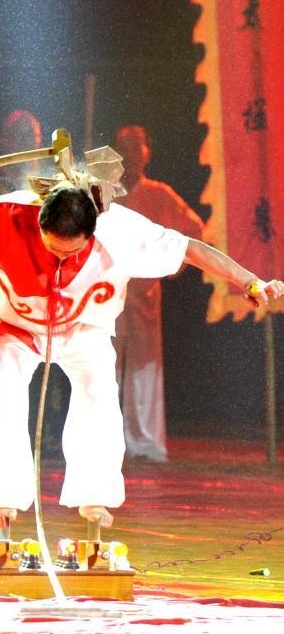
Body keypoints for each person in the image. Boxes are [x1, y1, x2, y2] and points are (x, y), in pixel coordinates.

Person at [0, 184, 284, 528]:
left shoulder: (119, 231)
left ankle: (95, 494)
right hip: (16, 324)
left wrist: (250, 282)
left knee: (99, 385)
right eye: (51, 249)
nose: (58, 261)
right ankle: (2, 495)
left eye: (69, 252)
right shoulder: (5, 217)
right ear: (38, 224)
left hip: (82, 326)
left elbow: (192, 249)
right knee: (4, 387)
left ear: (90, 233)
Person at [113, 125, 204, 461]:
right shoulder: (105, 192)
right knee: (105, 368)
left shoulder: (159, 194)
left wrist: (170, 266)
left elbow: (193, 229)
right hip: (108, 292)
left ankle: (145, 441)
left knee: (145, 368)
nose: (130, 154)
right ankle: (108, 442)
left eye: (136, 147)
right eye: (123, 146)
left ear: (147, 152)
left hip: (143, 295)